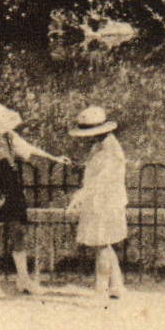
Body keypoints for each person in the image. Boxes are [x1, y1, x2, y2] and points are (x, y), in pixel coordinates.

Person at [0, 102, 71, 299]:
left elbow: (28, 149)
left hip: (10, 186)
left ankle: (23, 279)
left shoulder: (9, 136)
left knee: (18, 231)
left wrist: (54, 158)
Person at [65, 106, 128, 301]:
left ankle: (101, 290)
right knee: (105, 244)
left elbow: (100, 180)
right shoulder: (99, 146)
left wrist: (78, 198)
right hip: (99, 201)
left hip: (106, 202)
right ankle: (117, 285)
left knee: (102, 245)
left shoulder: (111, 151)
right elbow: (93, 173)